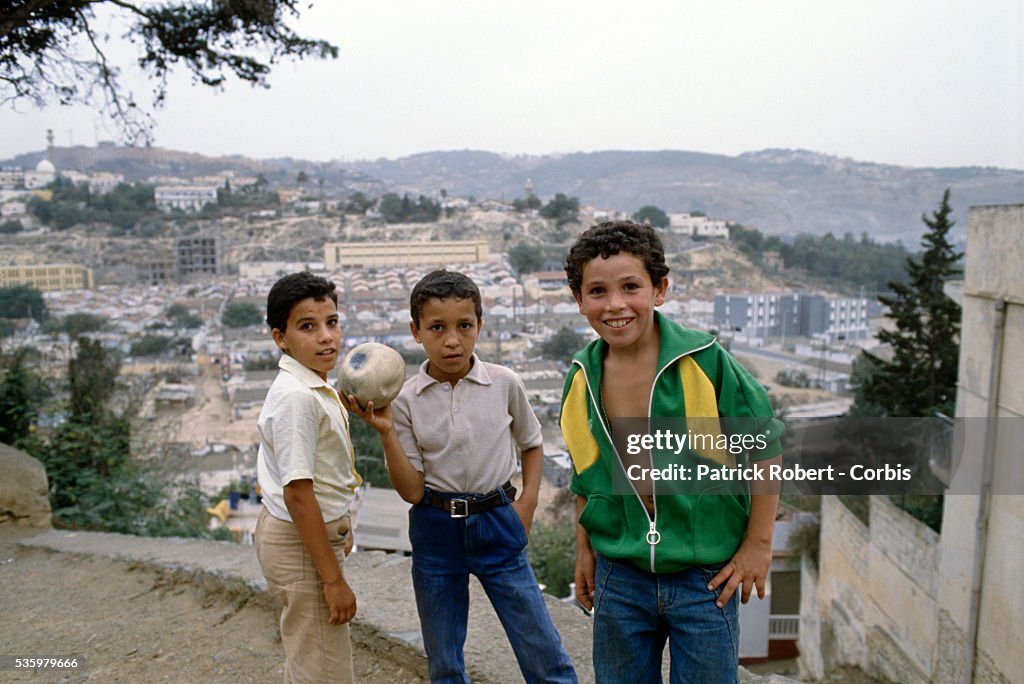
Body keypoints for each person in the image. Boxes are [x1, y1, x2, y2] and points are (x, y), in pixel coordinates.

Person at [560, 221, 785, 683]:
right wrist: (584, 549)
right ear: (579, 299)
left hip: (704, 578)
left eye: (630, 287)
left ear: (660, 289)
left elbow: (764, 446)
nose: (616, 304)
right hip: (619, 576)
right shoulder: (582, 378)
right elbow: (586, 473)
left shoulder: (704, 362)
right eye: (598, 291)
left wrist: (758, 545)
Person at [345, 269, 577, 684]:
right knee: (445, 660)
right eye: (438, 327)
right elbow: (412, 490)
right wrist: (384, 434)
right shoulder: (403, 401)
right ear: (416, 332)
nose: (452, 339)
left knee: (543, 651)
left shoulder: (504, 383)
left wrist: (525, 505)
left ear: (479, 326)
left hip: (499, 522)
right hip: (436, 531)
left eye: (463, 326)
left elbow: (532, 443)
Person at [254, 271, 362, 683]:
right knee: (324, 669)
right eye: (308, 327)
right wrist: (333, 581)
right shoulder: (298, 397)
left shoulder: (310, 384)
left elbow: (319, 476)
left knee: (309, 660)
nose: (325, 337)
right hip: (299, 543)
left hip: (304, 535)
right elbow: (298, 494)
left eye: (331, 323)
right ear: (280, 337)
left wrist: (339, 523)